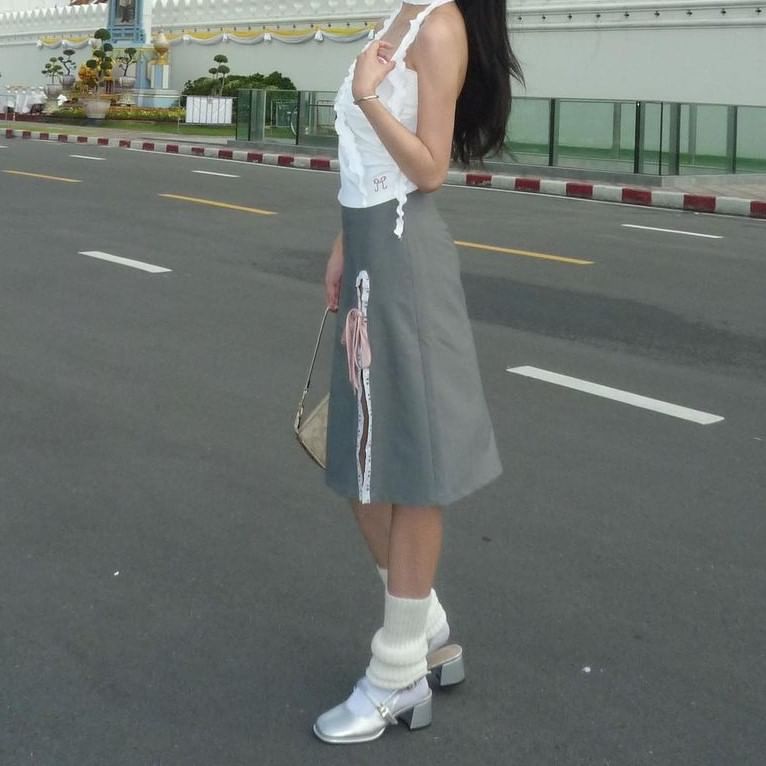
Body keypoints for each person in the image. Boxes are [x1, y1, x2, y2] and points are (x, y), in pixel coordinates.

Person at [314, 0, 523, 745]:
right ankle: (426, 627)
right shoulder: (396, 18)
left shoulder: (438, 26)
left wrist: (369, 96)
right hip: (368, 246)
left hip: (405, 260)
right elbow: (364, 162)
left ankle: (397, 674)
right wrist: (344, 242)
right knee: (362, 466)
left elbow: (431, 168)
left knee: (410, 472)